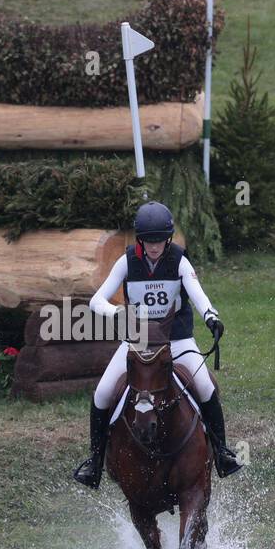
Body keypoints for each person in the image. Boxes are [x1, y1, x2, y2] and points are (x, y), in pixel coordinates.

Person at [72, 200, 243, 488]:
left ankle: (223, 453)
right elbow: (95, 301)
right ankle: (95, 463)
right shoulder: (127, 261)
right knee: (102, 393)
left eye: (160, 240)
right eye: (149, 241)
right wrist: (118, 312)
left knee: (205, 386)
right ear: (140, 240)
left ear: (168, 238)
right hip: (137, 343)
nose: (154, 247)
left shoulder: (179, 260)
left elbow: (198, 295)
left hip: (176, 341)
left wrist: (211, 317)